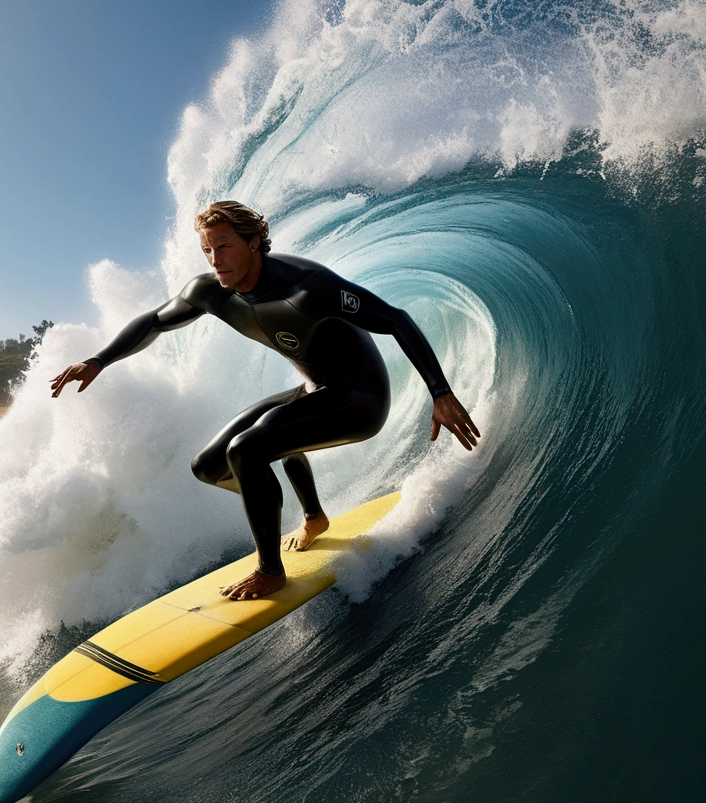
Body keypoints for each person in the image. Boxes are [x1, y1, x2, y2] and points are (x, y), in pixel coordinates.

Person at [51, 202, 479, 600]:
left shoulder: (309, 288)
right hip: (314, 392)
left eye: (224, 247)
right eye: (207, 251)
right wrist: (98, 360)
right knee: (210, 465)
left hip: (360, 399)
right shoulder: (212, 291)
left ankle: (271, 572)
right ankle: (314, 517)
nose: (215, 260)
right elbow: (155, 321)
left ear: (254, 242)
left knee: (249, 448)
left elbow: (395, 319)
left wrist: (440, 393)